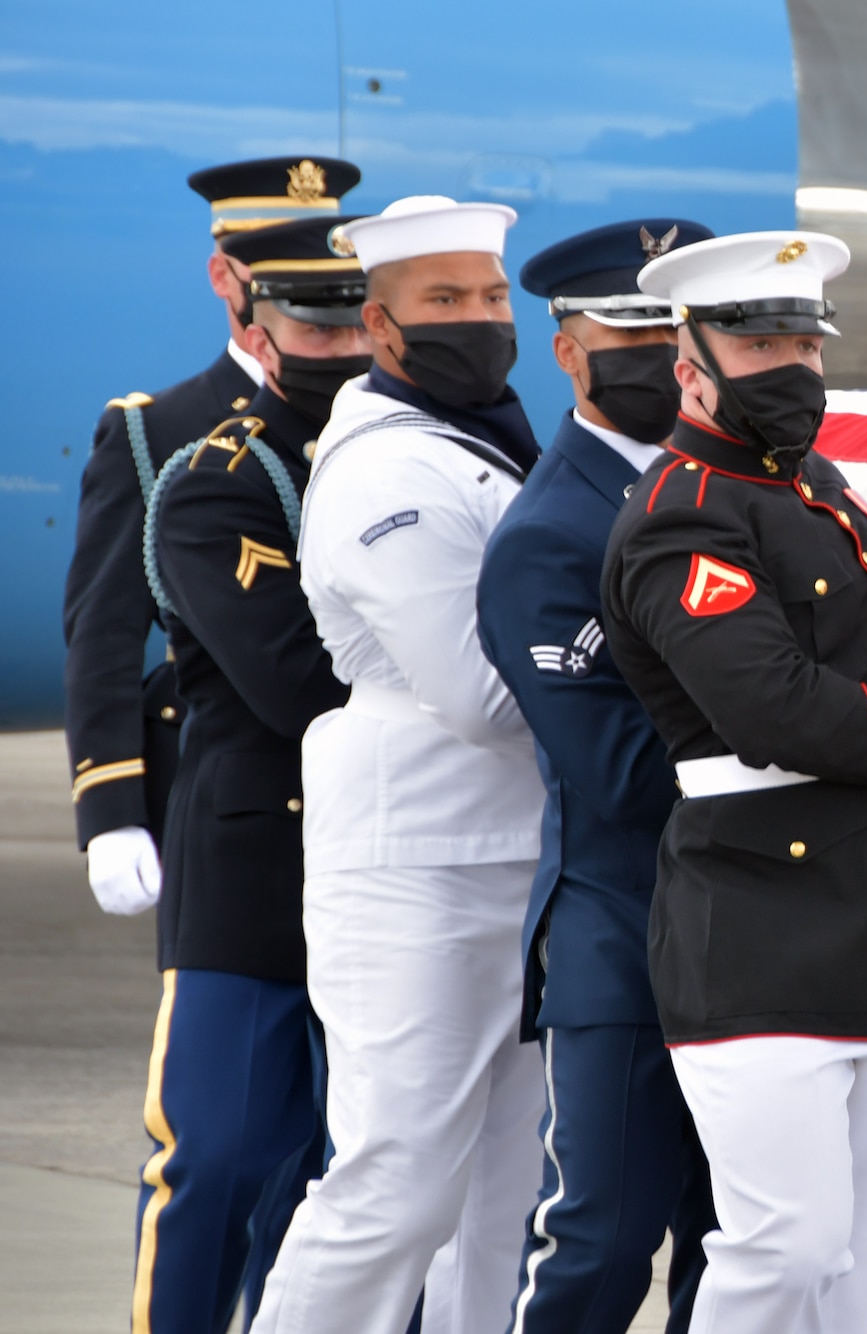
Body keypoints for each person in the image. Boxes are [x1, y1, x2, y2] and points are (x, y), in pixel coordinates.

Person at [598, 230, 867, 1333]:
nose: (788, 364)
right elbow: (768, 704)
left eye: (801, 340)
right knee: (786, 1244)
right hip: (761, 923)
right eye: (758, 343)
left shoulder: (818, 487)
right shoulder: (682, 512)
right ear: (689, 364)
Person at [251, 196, 547, 1334]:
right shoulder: (392, 472)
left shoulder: (487, 444)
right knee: (397, 1182)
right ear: (381, 324)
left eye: (490, 296)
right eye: (445, 301)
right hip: (418, 864)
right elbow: (480, 691)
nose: (479, 319)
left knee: (502, 1191)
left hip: (509, 852)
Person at [478, 217, 720, 1334]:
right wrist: (821, 746)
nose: (654, 350)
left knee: (739, 1245)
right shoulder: (548, 534)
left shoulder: (744, 491)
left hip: (756, 938)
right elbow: (620, 770)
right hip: (624, 935)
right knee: (601, 1238)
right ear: (566, 347)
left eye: (674, 327)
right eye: (625, 326)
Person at [132, 213, 367, 1334]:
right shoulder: (219, 478)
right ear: (260, 331)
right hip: (256, 873)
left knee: (344, 1179)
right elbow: (291, 679)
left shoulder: (441, 453)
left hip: (384, 873)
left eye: (355, 326)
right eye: (311, 329)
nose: (338, 351)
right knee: (217, 1162)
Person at [64, 156, 359, 920]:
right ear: (224, 276)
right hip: (233, 783)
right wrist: (111, 804)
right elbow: (105, 626)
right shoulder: (158, 428)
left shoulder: (378, 407)